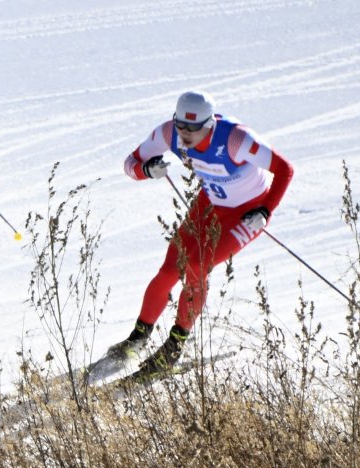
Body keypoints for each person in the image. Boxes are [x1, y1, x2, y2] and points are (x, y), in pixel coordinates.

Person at [104, 90, 294, 377]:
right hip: (209, 206)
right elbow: (130, 164)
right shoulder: (169, 133)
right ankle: (138, 339)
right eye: (181, 125)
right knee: (169, 269)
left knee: (196, 266)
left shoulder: (236, 139)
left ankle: (174, 346)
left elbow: (285, 169)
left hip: (246, 214)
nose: (186, 134)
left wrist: (265, 211)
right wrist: (146, 170)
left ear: (210, 124)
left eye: (194, 128)